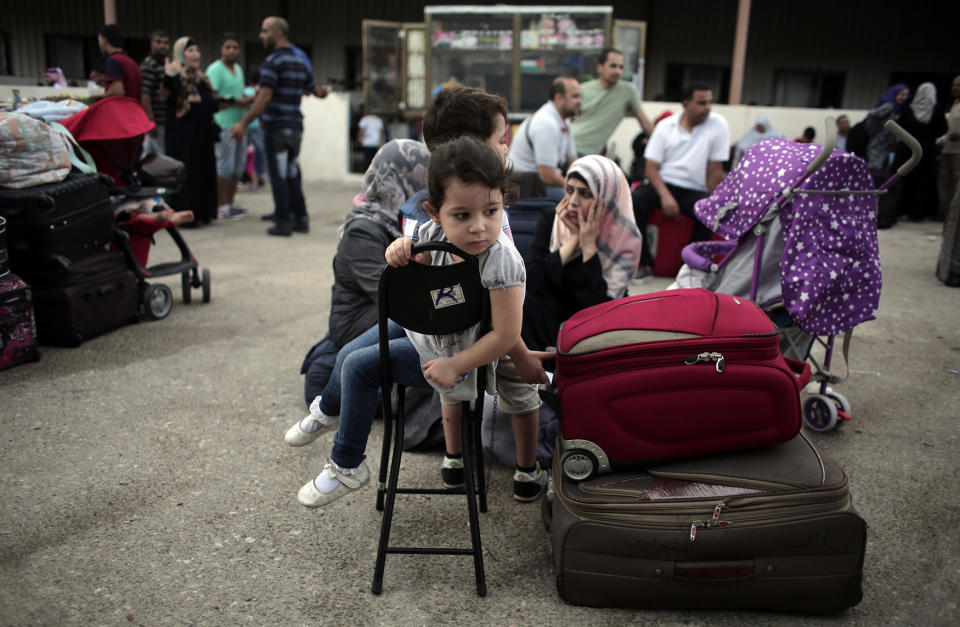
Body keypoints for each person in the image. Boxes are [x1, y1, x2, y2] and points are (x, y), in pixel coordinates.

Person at [293, 137, 548, 508]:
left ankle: (347, 465)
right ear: (433, 211)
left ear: (501, 204)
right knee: (349, 349)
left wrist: (456, 365)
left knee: (359, 366)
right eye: (463, 215)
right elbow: (421, 273)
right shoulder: (433, 233)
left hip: (461, 352)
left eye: (491, 212)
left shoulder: (500, 260)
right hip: (434, 332)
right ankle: (325, 411)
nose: (479, 227)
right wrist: (401, 251)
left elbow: (507, 333)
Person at [301, 139, 430, 405]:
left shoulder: (404, 223)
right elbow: (393, 296)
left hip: (386, 313)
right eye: (423, 179)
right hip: (358, 322)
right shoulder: (363, 230)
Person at [522, 155, 644, 352]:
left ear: (607, 198)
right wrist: (573, 240)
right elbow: (531, 280)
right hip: (546, 324)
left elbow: (601, 308)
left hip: (589, 331)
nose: (572, 202)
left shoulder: (623, 238)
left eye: (586, 194)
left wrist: (589, 248)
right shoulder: (551, 220)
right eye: (569, 191)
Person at [229, 16, 330, 236]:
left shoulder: (273, 61)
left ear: (277, 33)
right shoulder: (301, 59)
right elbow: (312, 89)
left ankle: (283, 220)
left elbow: (265, 96)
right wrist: (323, 91)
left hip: (277, 127)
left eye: (265, 31)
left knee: (278, 174)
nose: (261, 35)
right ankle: (300, 218)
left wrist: (244, 123)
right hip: (295, 127)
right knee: (292, 172)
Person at [631, 83, 730, 278]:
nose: (708, 108)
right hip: (663, 185)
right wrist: (665, 196)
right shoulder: (665, 126)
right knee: (635, 200)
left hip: (695, 190)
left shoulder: (719, 125)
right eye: (701, 103)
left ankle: (690, 270)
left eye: (710, 102)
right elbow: (651, 169)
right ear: (686, 104)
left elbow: (715, 170)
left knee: (708, 211)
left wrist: (715, 201)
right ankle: (643, 264)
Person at [163, 37, 218, 226]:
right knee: (188, 173)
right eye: (191, 51)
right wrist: (170, 76)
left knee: (203, 171)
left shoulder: (201, 79)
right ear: (180, 54)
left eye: (197, 50)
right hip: (183, 138)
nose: (196, 54)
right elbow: (167, 99)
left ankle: (203, 212)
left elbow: (209, 104)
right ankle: (186, 215)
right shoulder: (174, 77)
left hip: (202, 136)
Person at [507, 77, 581, 200]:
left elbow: (573, 161)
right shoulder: (546, 124)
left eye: (580, 96)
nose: (580, 101)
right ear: (559, 98)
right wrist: (576, 189)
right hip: (527, 187)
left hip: (541, 183)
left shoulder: (564, 121)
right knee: (578, 200)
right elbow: (548, 176)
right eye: (575, 96)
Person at [571, 47, 653, 156]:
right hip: (571, 148)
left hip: (589, 155)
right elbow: (567, 119)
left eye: (621, 67)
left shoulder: (627, 91)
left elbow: (645, 123)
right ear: (600, 68)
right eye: (613, 66)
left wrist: (664, 146)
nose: (617, 71)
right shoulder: (583, 89)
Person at [207, 33, 254, 221]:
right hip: (224, 124)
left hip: (239, 124)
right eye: (228, 47)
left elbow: (239, 93)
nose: (232, 51)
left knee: (237, 167)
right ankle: (221, 205)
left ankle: (231, 203)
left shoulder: (238, 69)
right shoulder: (215, 69)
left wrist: (246, 99)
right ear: (221, 49)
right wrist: (236, 101)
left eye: (235, 47)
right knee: (224, 166)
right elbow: (213, 95)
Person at [896, 82, 947, 221]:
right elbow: (942, 130)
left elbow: (899, 128)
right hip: (926, 152)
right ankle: (916, 213)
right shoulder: (937, 110)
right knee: (921, 184)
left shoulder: (909, 109)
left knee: (905, 180)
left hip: (907, 151)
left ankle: (899, 210)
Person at [91, 24, 142, 101]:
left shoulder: (113, 60)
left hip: (122, 110)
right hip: (134, 109)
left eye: (99, 40)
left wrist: (99, 99)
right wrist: (104, 80)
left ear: (105, 41)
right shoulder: (131, 61)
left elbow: (117, 91)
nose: (99, 45)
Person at [139, 30, 170, 157]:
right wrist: (150, 121)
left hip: (165, 120)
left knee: (150, 154)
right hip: (157, 121)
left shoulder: (165, 64)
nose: (162, 46)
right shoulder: (149, 65)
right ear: (152, 44)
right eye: (158, 42)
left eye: (166, 43)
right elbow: (144, 95)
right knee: (162, 157)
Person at [938, 75, 960, 219]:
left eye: (958, 85)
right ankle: (944, 213)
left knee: (956, 184)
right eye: (954, 85)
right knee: (944, 183)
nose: (954, 88)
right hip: (947, 149)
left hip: (959, 152)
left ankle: (954, 215)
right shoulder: (954, 103)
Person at [356, 105, 385, 172]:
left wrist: (358, 140)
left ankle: (368, 172)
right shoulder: (378, 119)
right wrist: (383, 142)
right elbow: (381, 132)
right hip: (375, 142)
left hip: (367, 142)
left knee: (367, 159)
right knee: (375, 158)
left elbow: (361, 131)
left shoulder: (364, 119)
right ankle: (374, 171)